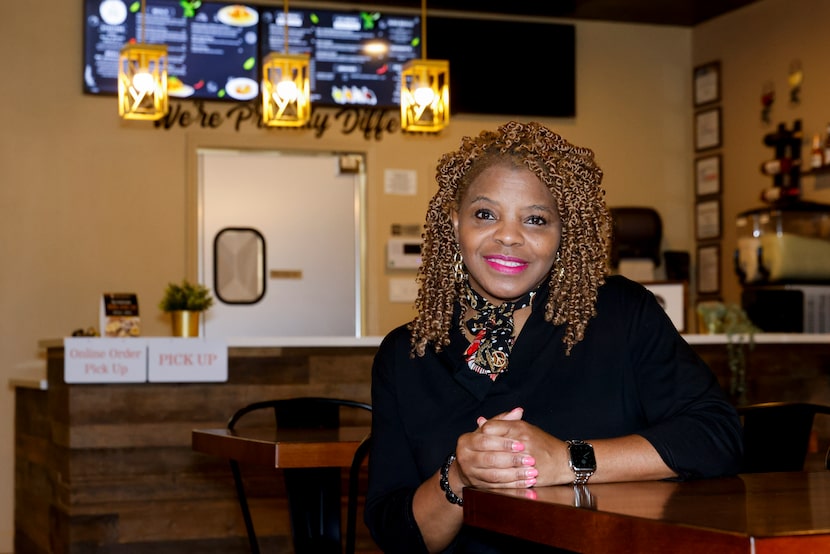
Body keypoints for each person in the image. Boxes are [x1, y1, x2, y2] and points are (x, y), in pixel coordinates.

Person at [364, 121, 743, 553]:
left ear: (563, 235)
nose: (508, 235)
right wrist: (459, 475)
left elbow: (716, 437)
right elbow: (398, 537)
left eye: (536, 219)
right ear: (455, 223)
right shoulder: (405, 353)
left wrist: (567, 459)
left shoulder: (618, 314)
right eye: (485, 214)